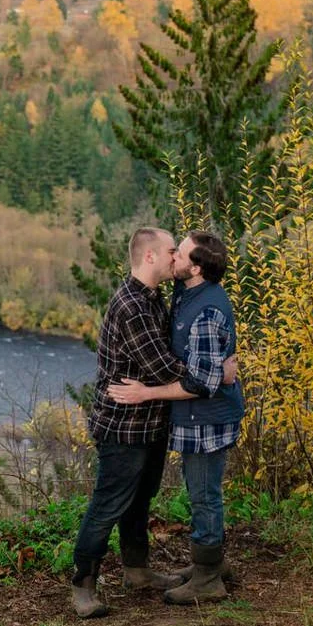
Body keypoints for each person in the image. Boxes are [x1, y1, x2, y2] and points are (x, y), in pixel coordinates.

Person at [70, 227, 205, 619]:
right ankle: (83, 584)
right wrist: (211, 374)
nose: (175, 257)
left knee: (139, 501)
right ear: (149, 257)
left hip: (150, 424)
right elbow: (163, 368)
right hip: (123, 428)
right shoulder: (131, 305)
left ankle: (137, 571)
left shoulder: (152, 298)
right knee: (108, 503)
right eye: (170, 251)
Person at [108, 231, 244, 605]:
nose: (173, 258)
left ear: (195, 268)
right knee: (201, 492)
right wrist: (220, 370)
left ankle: (208, 578)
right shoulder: (186, 291)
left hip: (207, 419)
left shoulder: (206, 310)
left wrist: (145, 393)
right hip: (195, 417)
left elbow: (201, 382)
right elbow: (206, 367)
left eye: (179, 254)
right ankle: (212, 563)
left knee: (203, 496)